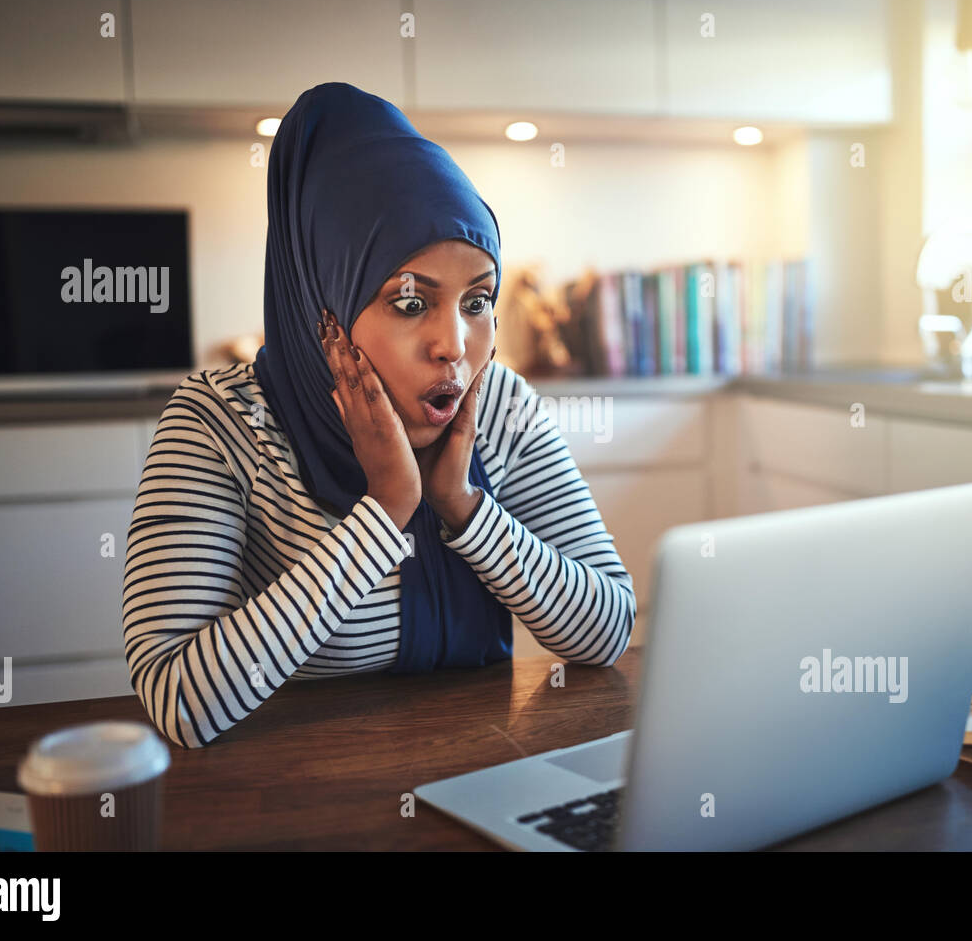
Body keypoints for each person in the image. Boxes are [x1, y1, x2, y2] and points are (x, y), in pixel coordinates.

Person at [121, 83, 635, 749]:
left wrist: (463, 507)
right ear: (323, 308)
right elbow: (179, 700)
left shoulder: (501, 406)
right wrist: (386, 511)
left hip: (481, 772)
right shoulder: (219, 424)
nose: (453, 345)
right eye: (411, 302)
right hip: (292, 796)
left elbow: (607, 631)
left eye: (477, 302)